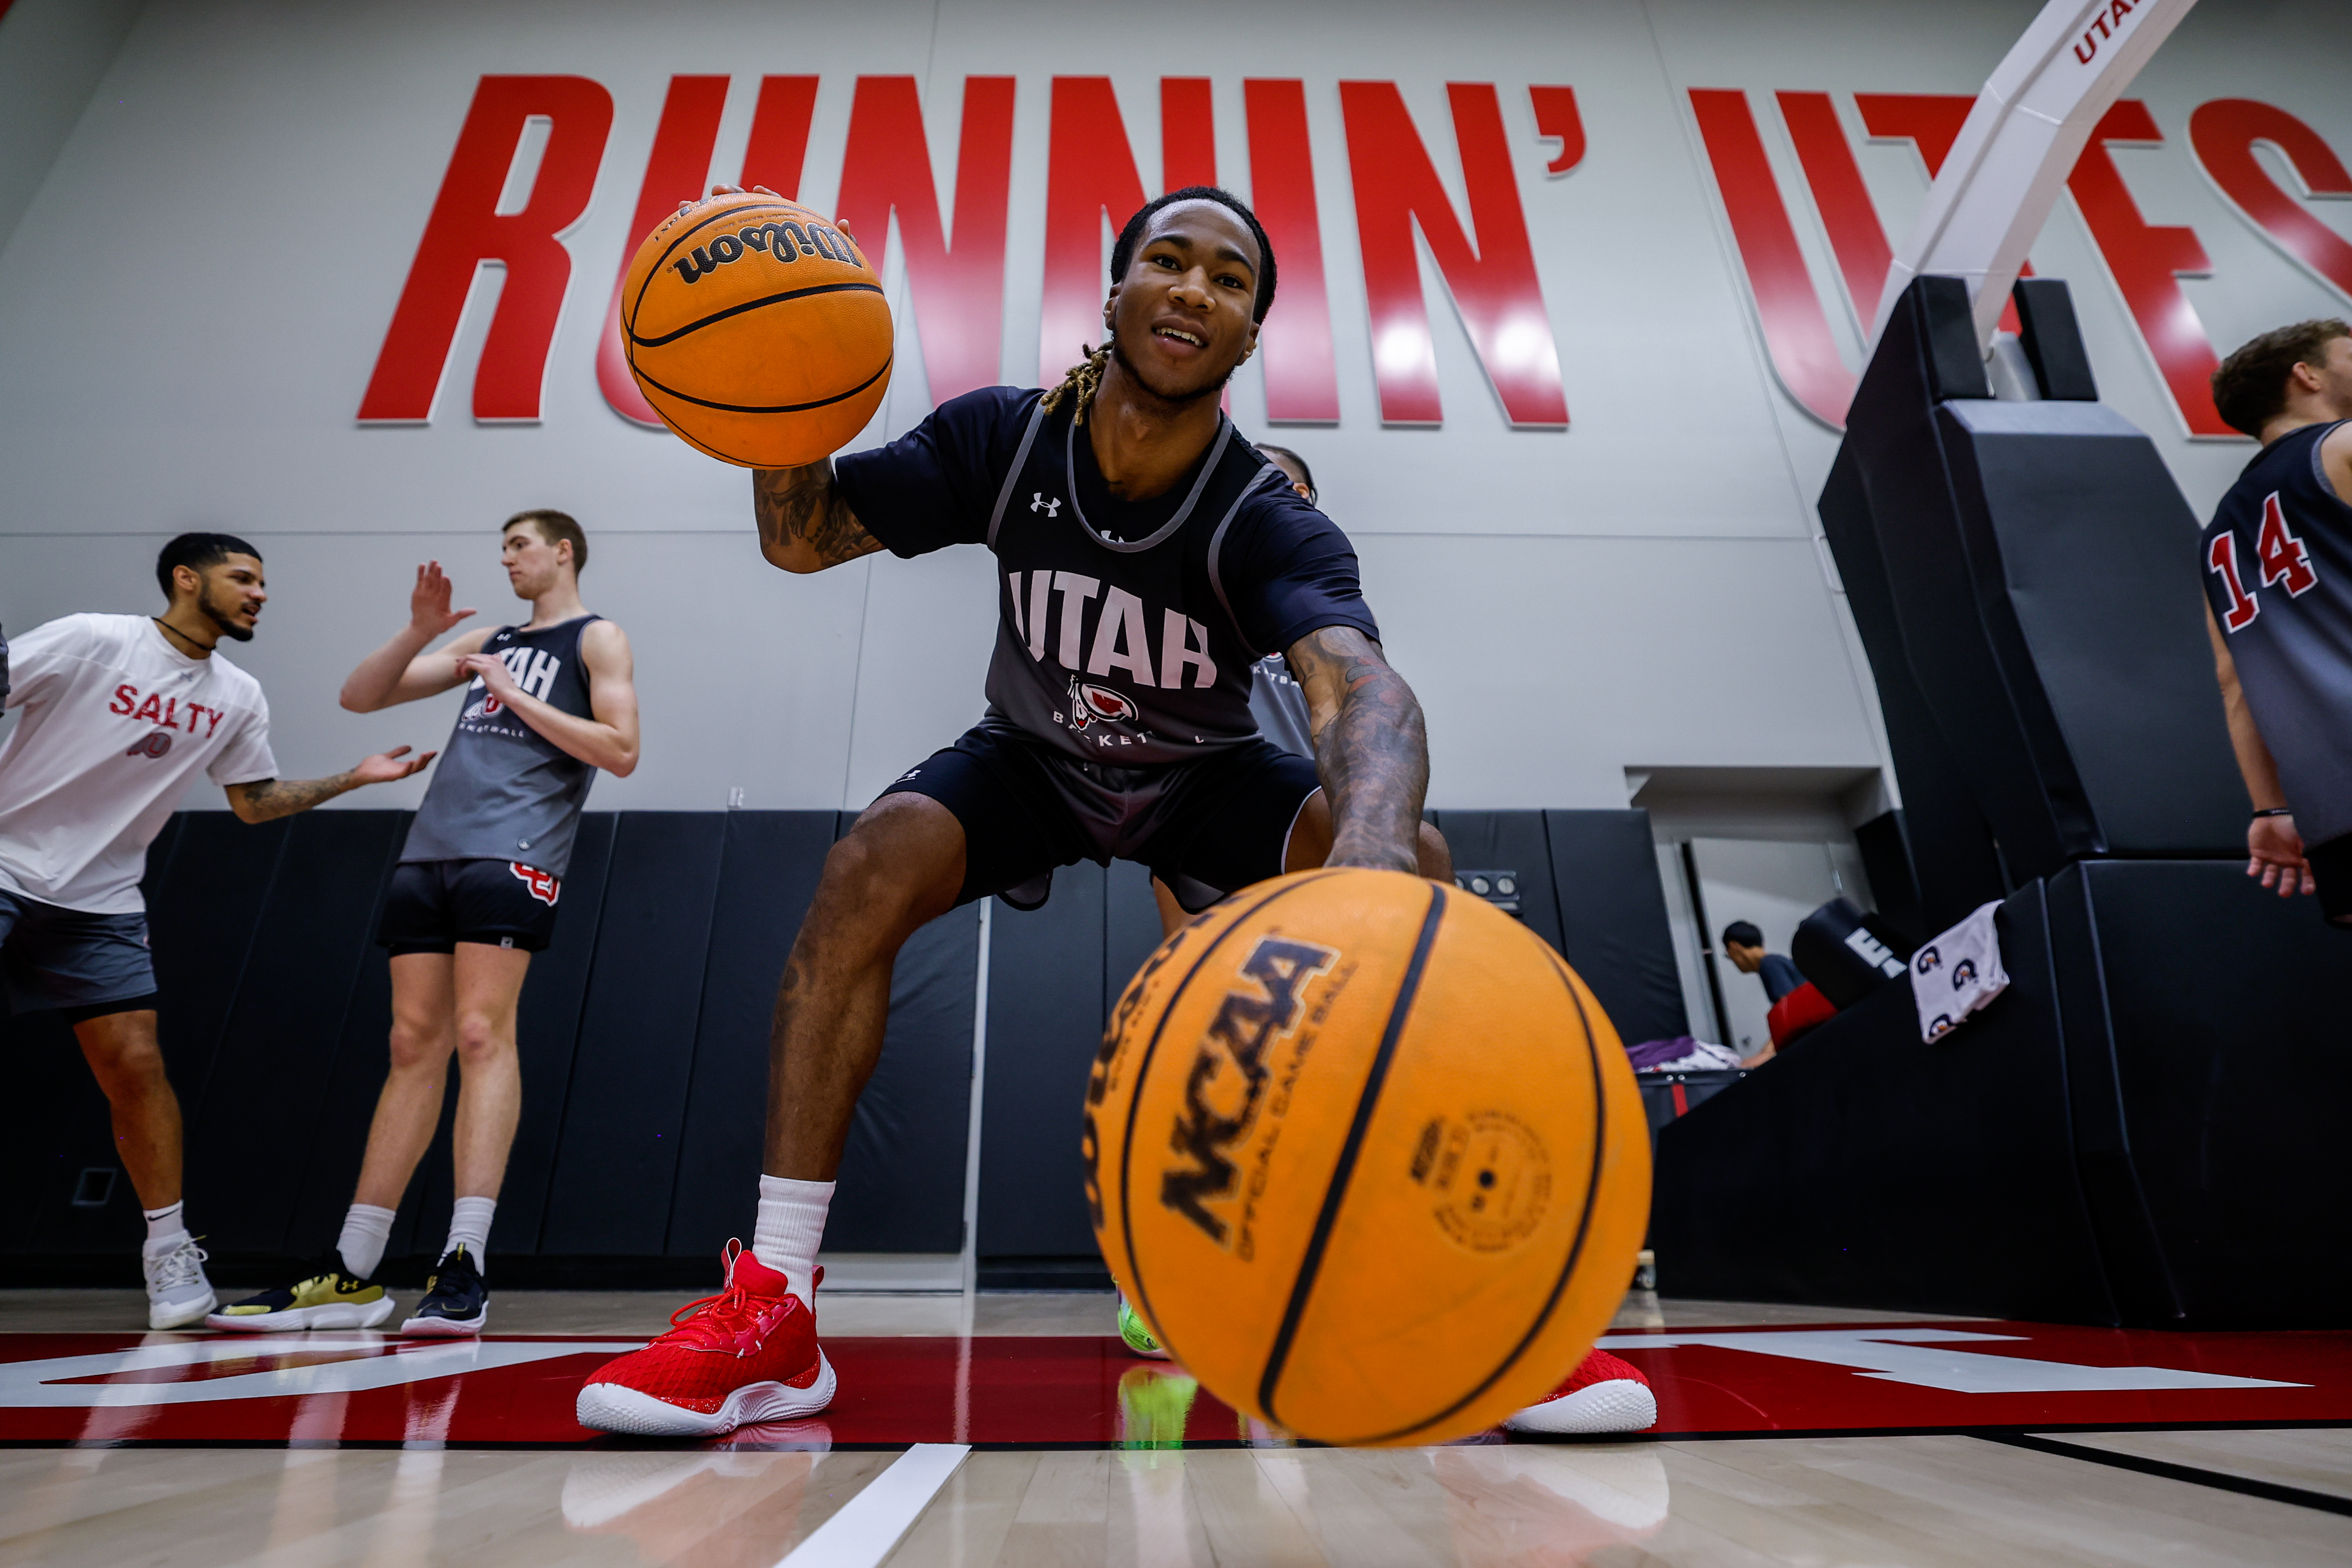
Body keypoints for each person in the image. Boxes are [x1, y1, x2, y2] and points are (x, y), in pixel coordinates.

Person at [577, 182, 1649, 1441]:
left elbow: (1365, 694)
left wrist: (1362, 875)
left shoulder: (1264, 516)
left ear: (1250, 336)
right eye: (1170, 262)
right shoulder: (1005, 438)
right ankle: (776, 1311)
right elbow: (806, 537)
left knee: (1413, 855)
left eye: (1231, 280)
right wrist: (780, 394)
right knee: (863, 865)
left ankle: (1476, 1304)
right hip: (1033, 759)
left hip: (1200, 779)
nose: (1195, 288)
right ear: (1117, 289)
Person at [209, 511, 639, 1335]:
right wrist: (416, 632)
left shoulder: (597, 638)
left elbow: (620, 750)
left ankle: (463, 1260)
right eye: (502, 546)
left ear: (563, 551)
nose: (508, 557)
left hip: (513, 854)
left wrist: (513, 695)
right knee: (412, 1045)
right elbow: (360, 695)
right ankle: (354, 1271)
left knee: (482, 1035)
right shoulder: (488, 638)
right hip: (430, 852)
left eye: (521, 543)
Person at [0, 534, 433, 1328]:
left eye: (264, 582)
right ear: (186, 579)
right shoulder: (93, 639)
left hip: (101, 900)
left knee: (135, 1066)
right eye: (244, 578)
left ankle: (167, 1251)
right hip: (4, 863)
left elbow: (254, 801)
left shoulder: (237, 693)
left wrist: (354, 778)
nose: (259, 593)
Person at [2201, 319, 2352, 928]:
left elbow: (2234, 683)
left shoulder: (2219, 536)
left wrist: (2269, 810)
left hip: (2333, 810)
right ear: (2306, 374)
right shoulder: (2342, 447)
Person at [1721, 921, 1804, 1002]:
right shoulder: (1775, 961)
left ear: (1734, 946)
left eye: (1728, 955)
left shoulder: (1769, 964)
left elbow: (1789, 1005)